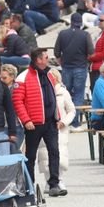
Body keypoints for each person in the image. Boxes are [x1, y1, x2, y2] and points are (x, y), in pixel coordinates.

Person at [13, 49, 65, 197]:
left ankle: (54, 183)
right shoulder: (23, 77)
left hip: (50, 122)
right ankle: (29, 185)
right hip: (33, 124)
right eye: (46, 57)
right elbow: (17, 101)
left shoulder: (49, 74)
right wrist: (26, 120)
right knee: (30, 155)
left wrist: (58, 116)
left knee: (54, 152)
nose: (48, 60)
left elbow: (53, 97)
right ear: (38, 60)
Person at [35, 68, 76, 194]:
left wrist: (64, 122)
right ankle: (48, 180)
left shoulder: (63, 92)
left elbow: (71, 110)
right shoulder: (39, 91)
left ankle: (59, 179)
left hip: (60, 128)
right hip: (43, 125)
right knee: (44, 154)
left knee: (60, 154)